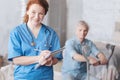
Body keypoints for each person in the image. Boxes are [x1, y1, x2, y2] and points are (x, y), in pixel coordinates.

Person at [8, 0, 62, 80]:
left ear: (44, 15)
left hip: (45, 77)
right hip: (23, 77)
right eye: (33, 12)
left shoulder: (51, 33)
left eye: (41, 14)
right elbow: (16, 59)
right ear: (27, 11)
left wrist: (49, 61)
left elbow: (56, 59)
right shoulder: (16, 32)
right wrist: (38, 58)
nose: (36, 17)